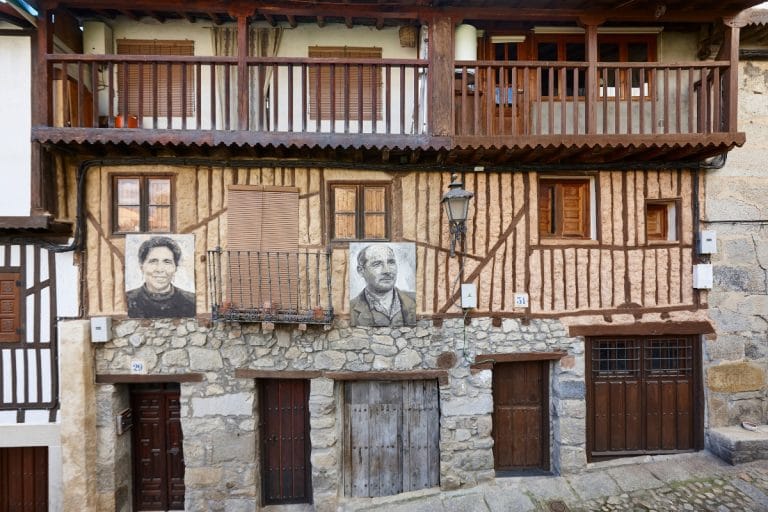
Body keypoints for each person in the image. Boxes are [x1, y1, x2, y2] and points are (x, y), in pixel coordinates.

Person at [126, 236, 196, 318]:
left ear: (175, 268)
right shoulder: (127, 300)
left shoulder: (191, 301)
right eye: (153, 261)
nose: (160, 269)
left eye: (167, 262)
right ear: (142, 267)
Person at [350, 244, 416, 327]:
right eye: (377, 264)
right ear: (361, 271)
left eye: (391, 262)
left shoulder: (415, 300)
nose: (387, 271)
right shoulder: (350, 309)